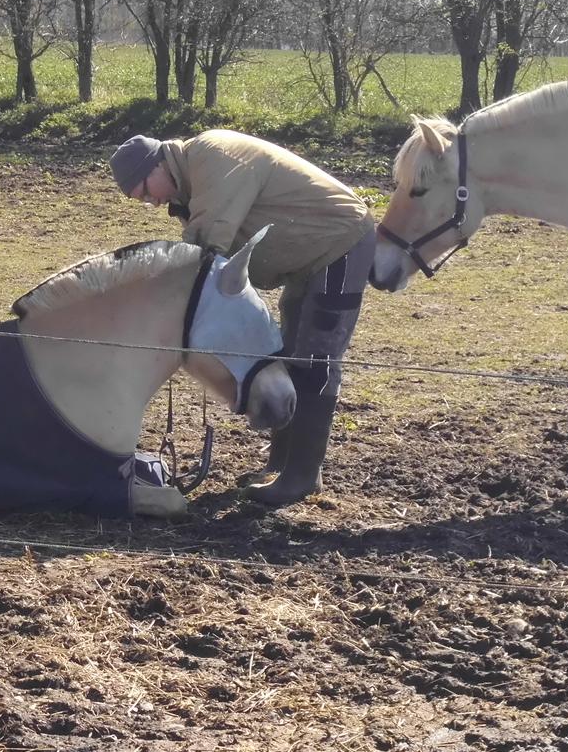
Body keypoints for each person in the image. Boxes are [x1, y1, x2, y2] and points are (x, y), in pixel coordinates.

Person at [109, 129, 376, 505]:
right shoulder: (191, 180)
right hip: (309, 261)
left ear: (158, 163)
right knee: (291, 351)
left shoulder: (212, 157)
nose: (152, 201)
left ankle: (302, 476)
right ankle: (280, 464)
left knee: (316, 357)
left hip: (341, 244)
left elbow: (206, 248)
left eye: (146, 190)